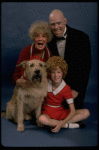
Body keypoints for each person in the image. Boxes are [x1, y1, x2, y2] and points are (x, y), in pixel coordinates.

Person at [48, 9, 91, 109]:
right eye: (52, 24)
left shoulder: (81, 38)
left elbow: (86, 67)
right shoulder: (49, 40)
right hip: (56, 85)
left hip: (75, 87)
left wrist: (77, 89)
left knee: (71, 114)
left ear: (65, 21)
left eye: (58, 23)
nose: (56, 27)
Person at [39, 56, 90, 133]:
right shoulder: (45, 83)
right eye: (53, 72)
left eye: (58, 72)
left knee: (86, 112)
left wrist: (60, 124)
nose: (56, 75)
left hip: (60, 112)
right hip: (46, 112)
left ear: (63, 73)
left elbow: (72, 111)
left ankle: (55, 124)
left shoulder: (66, 89)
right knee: (42, 119)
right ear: (49, 73)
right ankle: (69, 125)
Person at [13, 20, 53, 88]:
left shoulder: (49, 53)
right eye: (37, 36)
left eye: (43, 36)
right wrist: (18, 81)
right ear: (34, 38)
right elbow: (17, 72)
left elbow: (51, 73)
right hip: (27, 85)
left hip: (42, 86)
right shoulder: (26, 51)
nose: (40, 39)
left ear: (47, 38)